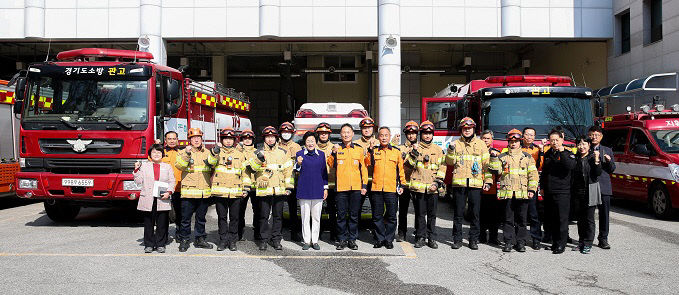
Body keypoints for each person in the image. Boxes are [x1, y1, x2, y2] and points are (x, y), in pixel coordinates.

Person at [446, 117, 492, 250]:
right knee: (458, 214)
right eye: (465, 129)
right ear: (461, 129)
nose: (467, 131)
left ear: (473, 129)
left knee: (475, 214)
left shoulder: (481, 144)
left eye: (469, 128)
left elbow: (486, 165)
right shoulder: (455, 143)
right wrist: (450, 150)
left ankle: (473, 240)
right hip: (459, 185)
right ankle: (457, 240)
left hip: (475, 184)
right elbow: (449, 162)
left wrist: (488, 181)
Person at [490, 129, 539, 252]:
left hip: (522, 193)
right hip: (507, 193)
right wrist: (493, 158)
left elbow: (533, 175)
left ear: (520, 142)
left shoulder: (527, 157)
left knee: (522, 220)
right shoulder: (501, 156)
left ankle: (520, 243)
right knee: (508, 219)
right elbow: (496, 172)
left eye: (516, 141)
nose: (513, 144)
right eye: (511, 141)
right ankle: (508, 242)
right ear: (508, 142)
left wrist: (532, 190)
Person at [250, 126, 295, 251]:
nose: (270, 139)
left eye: (272, 137)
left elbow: (288, 171)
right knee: (263, 216)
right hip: (264, 190)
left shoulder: (283, 152)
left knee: (278, 216)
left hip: (279, 190)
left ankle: (276, 240)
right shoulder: (257, 152)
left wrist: (289, 187)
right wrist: (259, 159)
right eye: (267, 137)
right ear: (264, 138)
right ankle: (263, 240)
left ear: (276, 138)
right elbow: (252, 169)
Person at [175, 128, 218, 252]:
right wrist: (187, 154)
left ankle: (200, 239)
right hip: (188, 193)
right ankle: (184, 240)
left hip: (204, 192)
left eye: (198, 137)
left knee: (201, 218)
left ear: (201, 138)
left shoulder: (208, 152)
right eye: (193, 138)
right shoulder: (183, 152)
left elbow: (214, 165)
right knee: (185, 219)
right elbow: (180, 166)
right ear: (190, 140)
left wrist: (215, 154)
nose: (196, 139)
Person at [405, 120, 446, 249]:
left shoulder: (438, 150)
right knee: (420, 214)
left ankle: (431, 238)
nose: (427, 135)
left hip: (433, 188)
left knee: (432, 215)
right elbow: (408, 166)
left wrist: (437, 183)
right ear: (421, 134)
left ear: (433, 134)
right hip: (419, 188)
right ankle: (420, 237)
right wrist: (414, 153)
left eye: (429, 133)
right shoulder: (414, 148)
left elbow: (442, 167)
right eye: (425, 133)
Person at [328, 123, 369, 250]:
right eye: (343, 132)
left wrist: (364, 185)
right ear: (340, 134)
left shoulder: (358, 149)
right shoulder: (337, 148)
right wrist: (333, 153)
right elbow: (330, 164)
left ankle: (352, 239)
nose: (346, 134)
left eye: (348, 132)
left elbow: (364, 169)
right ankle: (342, 239)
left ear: (352, 134)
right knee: (340, 215)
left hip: (356, 188)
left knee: (354, 215)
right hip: (341, 188)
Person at [365, 127, 406, 249]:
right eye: (381, 135)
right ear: (378, 137)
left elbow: (401, 170)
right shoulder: (374, 150)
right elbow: (367, 164)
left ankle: (389, 239)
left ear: (389, 137)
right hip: (376, 188)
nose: (383, 137)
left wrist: (402, 184)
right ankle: (379, 238)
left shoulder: (396, 152)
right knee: (377, 216)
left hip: (391, 189)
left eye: (386, 135)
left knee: (392, 216)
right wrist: (370, 150)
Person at [211, 127, 250, 251]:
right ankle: (223, 241)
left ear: (234, 140)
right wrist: (214, 152)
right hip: (220, 192)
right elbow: (210, 163)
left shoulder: (240, 154)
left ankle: (233, 241)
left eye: (230, 139)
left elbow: (245, 173)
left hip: (236, 192)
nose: (228, 141)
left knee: (234, 218)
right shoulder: (217, 152)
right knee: (222, 218)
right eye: (226, 139)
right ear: (222, 140)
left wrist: (246, 188)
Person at [134, 144, 176, 253]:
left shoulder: (167, 167)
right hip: (148, 198)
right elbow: (138, 182)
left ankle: (160, 244)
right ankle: (149, 244)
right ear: (149, 155)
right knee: (149, 223)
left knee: (162, 223)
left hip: (162, 197)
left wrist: (169, 192)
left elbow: (172, 181)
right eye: (154, 152)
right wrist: (136, 170)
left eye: (159, 152)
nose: (156, 154)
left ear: (162, 154)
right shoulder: (144, 166)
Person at [540, 127, 576, 254]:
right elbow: (544, 172)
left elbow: (570, 166)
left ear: (562, 139)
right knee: (552, 218)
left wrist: (562, 152)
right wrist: (542, 187)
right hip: (549, 191)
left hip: (562, 192)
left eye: (556, 140)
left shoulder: (568, 153)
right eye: (552, 140)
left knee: (562, 219)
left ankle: (562, 244)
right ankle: (555, 243)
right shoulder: (549, 153)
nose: (554, 142)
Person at [295, 131, 329, 250]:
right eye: (308, 141)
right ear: (305, 142)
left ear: (316, 142)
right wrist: (298, 163)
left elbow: (324, 172)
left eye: (312, 141)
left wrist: (325, 188)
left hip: (317, 189)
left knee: (316, 217)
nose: (310, 143)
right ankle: (306, 241)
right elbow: (296, 169)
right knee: (305, 217)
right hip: (304, 189)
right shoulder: (299, 154)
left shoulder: (321, 154)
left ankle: (315, 241)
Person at [572, 136, 603, 254]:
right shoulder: (575, 158)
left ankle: (588, 242)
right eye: (579, 144)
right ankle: (581, 242)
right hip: (577, 191)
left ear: (589, 145)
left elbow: (598, 173)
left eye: (584, 144)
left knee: (589, 218)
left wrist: (596, 160)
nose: (581, 146)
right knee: (580, 219)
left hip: (590, 189)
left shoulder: (592, 157)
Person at [588, 125, 615, 249]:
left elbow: (612, 169)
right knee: (589, 215)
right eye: (592, 134)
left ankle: (603, 239)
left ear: (601, 137)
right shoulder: (585, 148)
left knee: (604, 214)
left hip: (604, 185)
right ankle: (588, 238)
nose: (594, 137)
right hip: (590, 184)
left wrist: (609, 161)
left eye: (597, 135)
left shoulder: (608, 150)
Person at [521, 127, 548, 249]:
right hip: (518, 185)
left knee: (533, 214)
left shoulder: (538, 150)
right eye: (527, 134)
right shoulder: (515, 148)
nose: (529, 137)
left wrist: (541, 152)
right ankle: (520, 239)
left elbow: (541, 166)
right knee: (520, 214)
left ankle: (536, 239)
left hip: (531, 185)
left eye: (532, 135)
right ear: (523, 136)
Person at [393, 121, 419, 243]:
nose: (411, 136)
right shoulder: (400, 148)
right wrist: (393, 143)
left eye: (413, 133)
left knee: (419, 210)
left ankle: (418, 232)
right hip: (404, 184)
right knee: (402, 210)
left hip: (418, 184)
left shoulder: (421, 147)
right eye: (409, 133)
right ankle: (401, 233)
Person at [278, 122, 303, 242]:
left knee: (293, 209)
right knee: (278, 209)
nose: (286, 134)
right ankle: (277, 232)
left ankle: (294, 233)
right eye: (284, 132)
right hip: (277, 182)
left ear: (292, 133)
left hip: (293, 182)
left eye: (288, 132)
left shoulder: (297, 147)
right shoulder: (276, 145)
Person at [354, 117, 380, 223]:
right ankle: (355, 232)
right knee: (356, 208)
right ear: (361, 129)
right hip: (360, 180)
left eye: (369, 127)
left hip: (375, 180)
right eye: (364, 128)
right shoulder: (355, 143)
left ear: (373, 129)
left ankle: (376, 233)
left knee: (376, 208)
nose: (367, 130)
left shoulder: (379, 143)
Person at [315, 122, 338, 241]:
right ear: (318, 134)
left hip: (332, 184)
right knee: (316, 211)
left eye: (325, 133)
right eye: (321, 133)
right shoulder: (312, 147)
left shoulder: (335, 148)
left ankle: (333, 234)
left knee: (332, 210)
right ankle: (316, 234)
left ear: (329, 134)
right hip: (317, 184)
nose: (323, 135)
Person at [160, 131, 183, 243]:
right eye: (169, 139)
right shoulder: (161, 152)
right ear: (166, 140)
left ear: (177, 139)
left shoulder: (182, 152)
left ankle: (179, 233)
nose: (172, 141)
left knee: (179, 212)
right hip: (164, 188)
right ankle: (164, 235)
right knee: (164, 212)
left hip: (179, 187)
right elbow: (151, 159)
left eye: (174, 138)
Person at [480, 130, 501, 245]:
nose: (486, 140)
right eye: (484, 138)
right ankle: (481, 236)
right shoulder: (477, 153)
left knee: (494, 216)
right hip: (479, 187)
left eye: (488, 138)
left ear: (492, 140)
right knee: (480, 214)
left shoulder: (497, 153)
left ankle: (493, 237)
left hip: (493, 189)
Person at [238, 129, 257, 241]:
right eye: (245, 138)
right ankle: (239, 233)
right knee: (240, 211)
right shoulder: (237, 152)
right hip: (241, 186)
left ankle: (257, 232)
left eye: (249, 138)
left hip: (255, 186)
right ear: (242, 140)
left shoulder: (257, 152)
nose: (247, 140)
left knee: (258, 211)